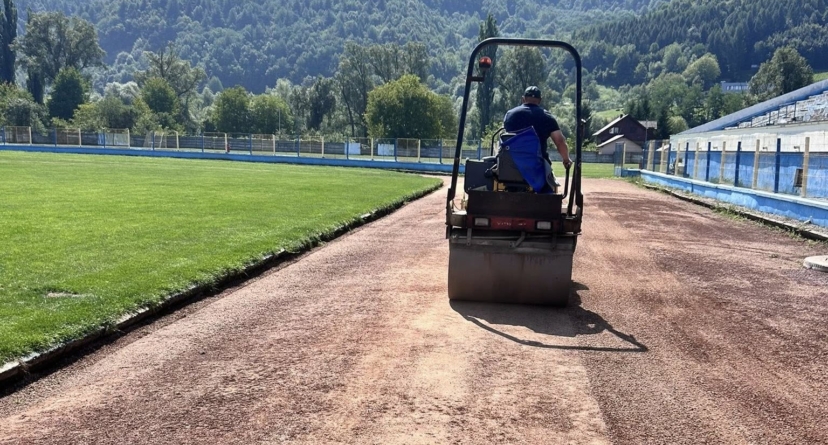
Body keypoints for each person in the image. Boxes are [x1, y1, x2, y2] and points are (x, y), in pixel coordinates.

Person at [503, 86, 573, 173]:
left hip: (511, 163)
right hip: (537, 166)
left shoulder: (510, 114)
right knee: (549, 183)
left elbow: (505, 136)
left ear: (523, 99)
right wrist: (566, 159)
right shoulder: (547, 117)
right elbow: (559, 141)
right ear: (540, 100)